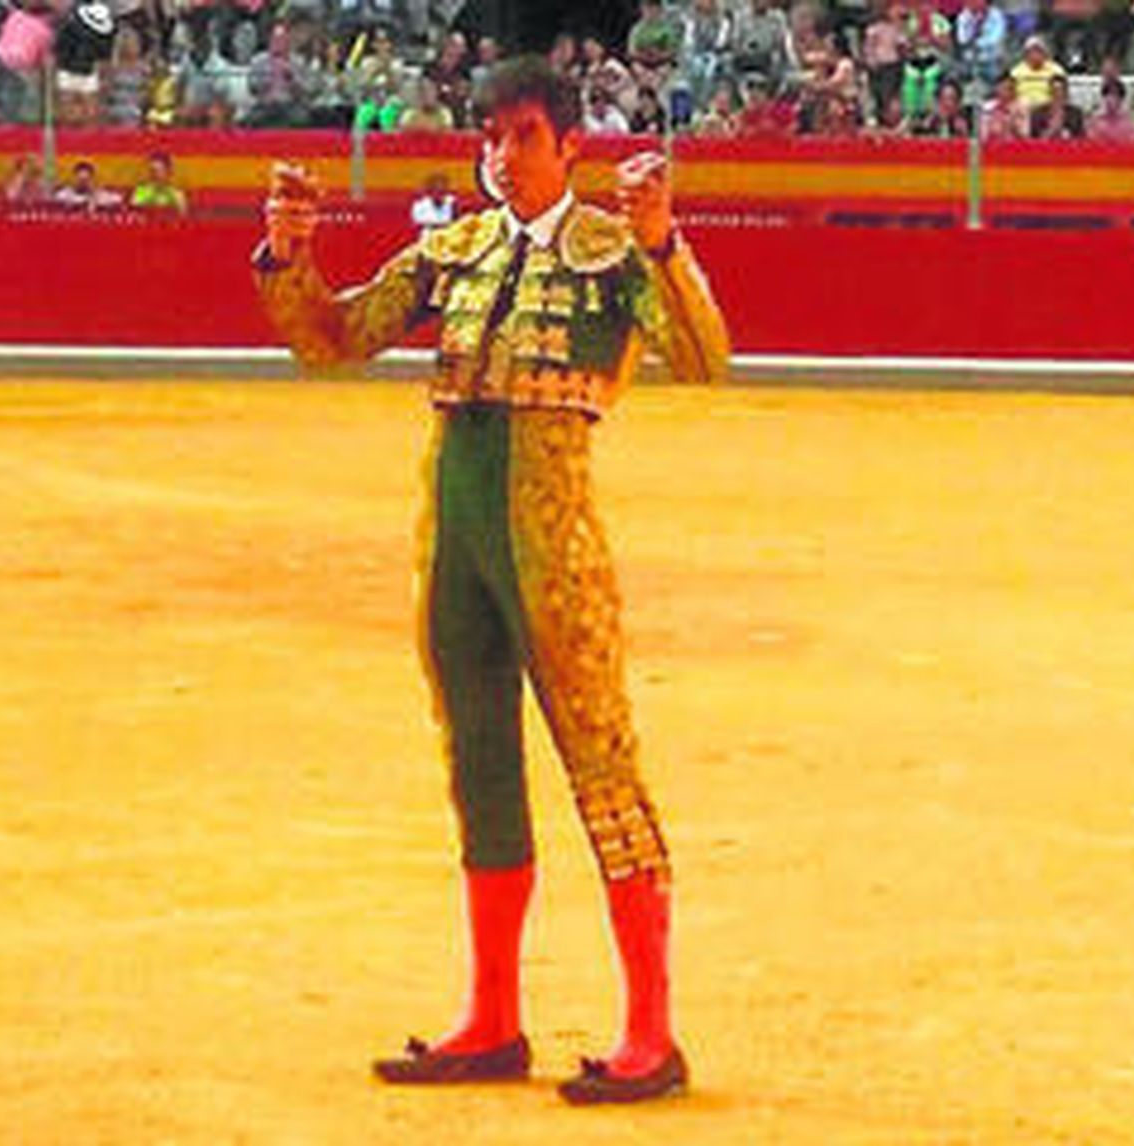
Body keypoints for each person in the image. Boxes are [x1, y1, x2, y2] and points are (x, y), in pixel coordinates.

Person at [253, 55, 728, 1106]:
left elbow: (704, 357)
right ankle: (492, 1019)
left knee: (600, 769)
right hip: (458, 538)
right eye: (491, 135)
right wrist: (287, 257)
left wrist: (662, 240)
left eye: (522, 136)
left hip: (553, 546)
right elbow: (332, 340)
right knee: (479, 763)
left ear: (569, 147)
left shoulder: (611, 252)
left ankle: (651, 1033)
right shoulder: (455, 250)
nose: (501, 154)